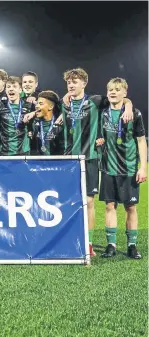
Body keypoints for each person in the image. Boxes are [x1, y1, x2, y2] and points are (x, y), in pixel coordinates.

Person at [60, 67, 134, 256]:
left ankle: (89, 243)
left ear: (84, 84)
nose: (71, 85)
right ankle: (69, 239)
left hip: (90, 158)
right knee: (69, 201)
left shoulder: (96, 101)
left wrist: (130, 106)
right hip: (69, 160)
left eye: (75, 82)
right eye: (69, 82)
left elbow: (120, 98)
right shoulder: (65, 103)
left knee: (89, 202)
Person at [97, 78, 147, 259]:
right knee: (110, 206)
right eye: (110, 89)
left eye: (118, 89)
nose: (113, 92)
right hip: (109, 168)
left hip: (129, 168)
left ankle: (132, 246)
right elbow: (99, 138)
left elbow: (141, 141)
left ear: (125, 93)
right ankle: (111, 244)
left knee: (130, 207)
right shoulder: (103, 113)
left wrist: (143, 167)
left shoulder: (135, 113)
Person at [0, 76, 33, 156]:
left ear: (20, 89)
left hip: (23, 151)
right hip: (4, 151)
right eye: (8, 87)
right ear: (5, 90)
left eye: (14, 86)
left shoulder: (29, 105)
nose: (11, 89)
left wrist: (34, 112)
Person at [30, 90, 63, 155]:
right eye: (37, 103)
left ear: (51, 106)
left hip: (57, 163)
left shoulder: (60, 123)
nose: (36, 106)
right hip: (39, 163)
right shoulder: (34, 123)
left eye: (40, 103)